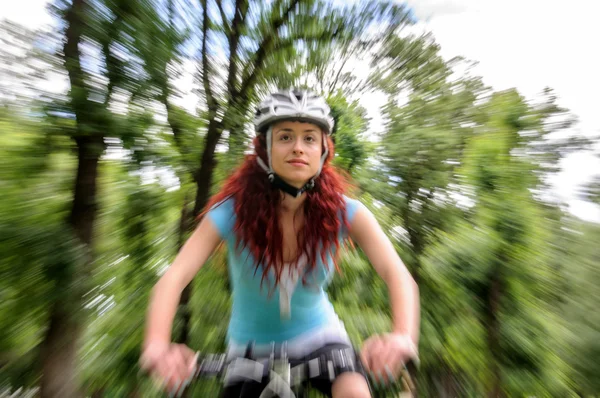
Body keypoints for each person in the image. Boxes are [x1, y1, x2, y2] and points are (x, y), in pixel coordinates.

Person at [140, 89, 420, 398]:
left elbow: (398, 275)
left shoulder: (347, 213)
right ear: (264, 149)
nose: (298, 148)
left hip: (321, 337)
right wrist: (156, 344)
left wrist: (403, 336)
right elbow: (173, 278)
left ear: (324, 151)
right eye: (285, 137)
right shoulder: (230, 213)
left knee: (354, 391)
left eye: (310, 138)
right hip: (250, 348)